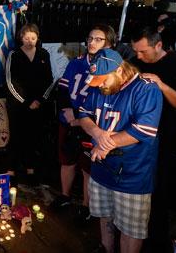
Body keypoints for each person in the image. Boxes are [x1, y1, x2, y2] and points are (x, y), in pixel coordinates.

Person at [77, 48, 163, 253]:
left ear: (119, 71)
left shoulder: (145, 88)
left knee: (130, 228)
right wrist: (97, 132)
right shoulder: (99, 86)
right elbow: (83, 114)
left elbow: (144, 130)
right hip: (101, 168)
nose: (101, 86)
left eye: (103, 80)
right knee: (104, 215)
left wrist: (106, 143)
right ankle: (106, 248)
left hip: (132, 174)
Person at [130, 26, 176, 249]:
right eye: (135, 52)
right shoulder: (135, 61)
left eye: (143, 51)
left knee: (158, 193)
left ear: (158, 45)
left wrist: (161, 85)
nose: (138, 56)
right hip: (136, 138)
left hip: (164, 141)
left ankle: (156, 241)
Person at [54, 24, 117, 221]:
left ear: (110, 43)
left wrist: (83, 118)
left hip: (92, 123)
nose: (92, 42)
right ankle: (65, 195)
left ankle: (85, 206)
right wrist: (69, 112)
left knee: (87, 166)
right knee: (67, 159)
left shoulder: (113, 67)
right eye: (90, 38)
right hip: (70, 118)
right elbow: (63, 89)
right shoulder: (77, 62)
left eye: (98, 39)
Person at [5, 23, 53, 184]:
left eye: (33, 38)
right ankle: (11, 171)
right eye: (26, 38)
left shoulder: (43, 54)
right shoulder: (14, 54)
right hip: (18, 104)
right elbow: (10, 81)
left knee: (33, 137)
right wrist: (26, 103)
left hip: (38, 104)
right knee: (16, 136)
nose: (30, 41)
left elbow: (49, 79)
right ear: (21, 38)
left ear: (37, 38)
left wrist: (40, 100)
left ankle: (30, 171)